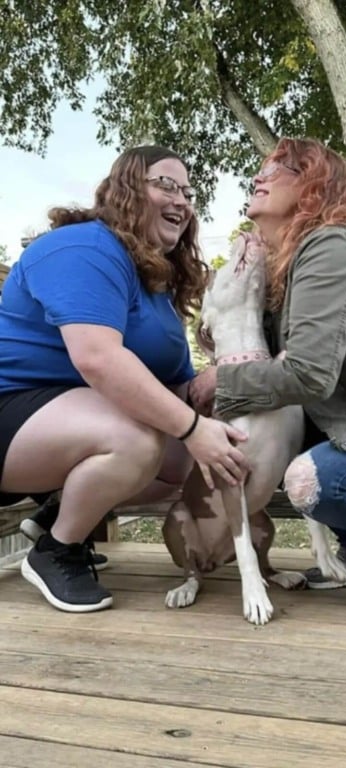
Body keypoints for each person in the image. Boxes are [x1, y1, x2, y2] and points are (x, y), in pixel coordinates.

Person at [0, 144, 249, 613]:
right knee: (139, 437)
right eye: (166, 185)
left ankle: (58, 514)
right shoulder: (83, 248)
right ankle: (56, 550)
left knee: (188, 460)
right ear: (126, 189)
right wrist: (193, 429)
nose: (181, 201)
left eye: (188, 192)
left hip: (67, 423)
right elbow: (98, 358)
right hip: (11, 411)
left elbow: (177, 386)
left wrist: (224, 382)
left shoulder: (153, 282)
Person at [190, 136, 346, 615]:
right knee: (297, 432)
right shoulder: (290, 264)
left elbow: (308, 375)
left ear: (313, 188)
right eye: (261, 170)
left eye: (277, 170)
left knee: (310, 480)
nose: (258, 177)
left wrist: (221, 382)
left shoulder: (330, 247)